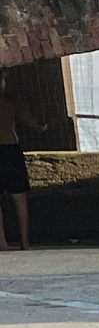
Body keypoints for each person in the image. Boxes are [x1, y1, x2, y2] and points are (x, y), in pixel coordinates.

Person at [0, 77, 30, 250]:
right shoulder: (12, 100)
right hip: (11, 148)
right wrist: (41, 127)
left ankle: (2, 242)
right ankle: (25, 241)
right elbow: (26, 118)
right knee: (20, 198)